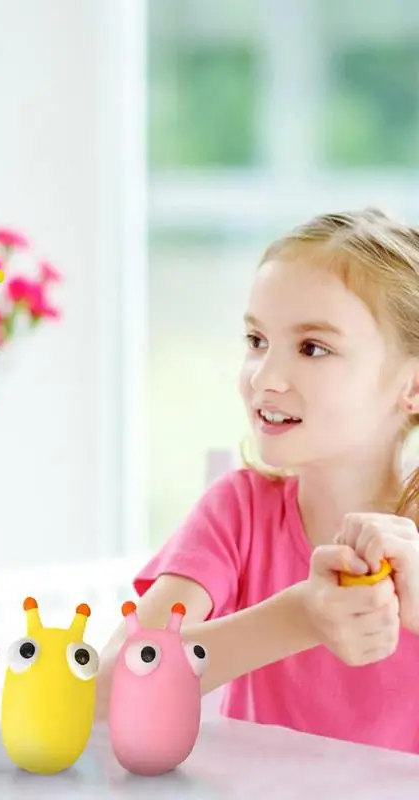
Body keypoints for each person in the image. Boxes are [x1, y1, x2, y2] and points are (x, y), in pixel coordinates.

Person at [96, 208, 419, 754]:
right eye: (256, 339)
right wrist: (299, 617)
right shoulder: (237, 513)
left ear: (411, 385)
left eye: (312, 347)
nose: (264, 377)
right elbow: (105, 695)